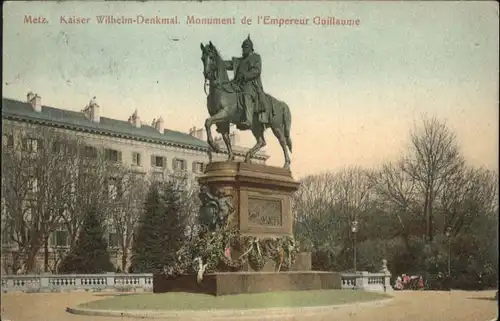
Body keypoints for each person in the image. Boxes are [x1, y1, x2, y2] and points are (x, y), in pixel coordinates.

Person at [224, 35, 269, 129]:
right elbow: (229, 64)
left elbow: (257, 71)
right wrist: (219, 62)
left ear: (250, 48)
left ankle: (248, 120)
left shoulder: (256, 57)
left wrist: (245, 75)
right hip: (238, 84)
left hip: (251, 84)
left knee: (246, 93)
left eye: (245, 48)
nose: (243, 50)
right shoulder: (240, 60)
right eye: (243, 48)